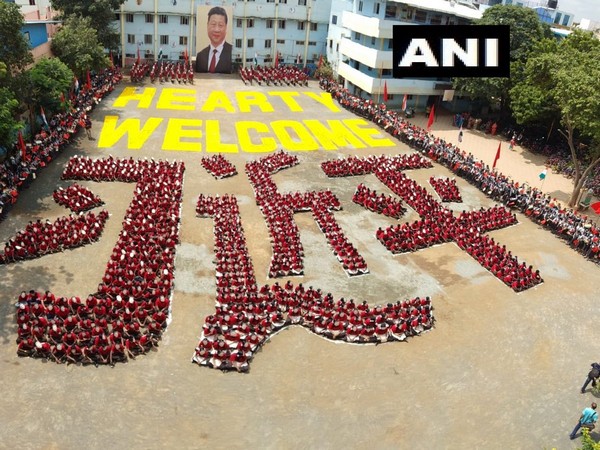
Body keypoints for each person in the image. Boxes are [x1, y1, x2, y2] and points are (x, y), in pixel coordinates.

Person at [195, 7, 232, 74]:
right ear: (207, 25)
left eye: (220, 25)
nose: (216, 30)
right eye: (213, 24)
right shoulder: (200, 55)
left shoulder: (232, 53)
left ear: (226, 27)